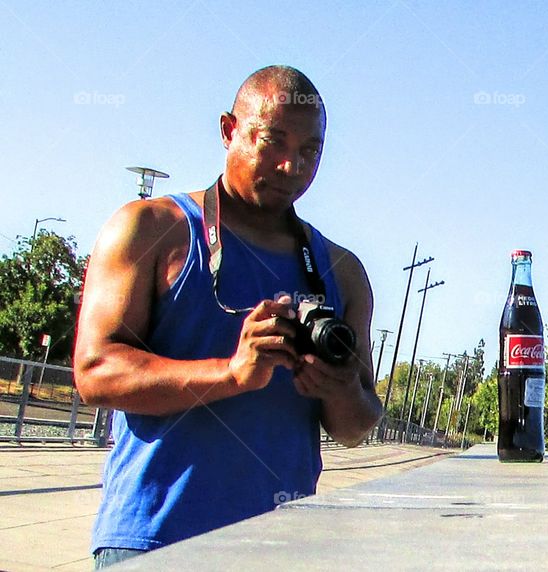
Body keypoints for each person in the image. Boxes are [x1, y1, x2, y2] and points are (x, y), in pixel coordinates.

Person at [74, 65, 382, 568]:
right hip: (154, 542)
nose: (291, 167)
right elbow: (95, 372)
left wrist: (338, 388)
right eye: (273, 142)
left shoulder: (343, 272)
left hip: (281, 553)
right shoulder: (151, 228)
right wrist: (233, 372)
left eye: (310, 152)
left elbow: (357, 425)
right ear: (228, 130)